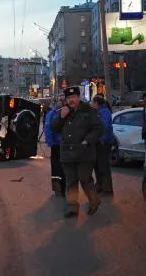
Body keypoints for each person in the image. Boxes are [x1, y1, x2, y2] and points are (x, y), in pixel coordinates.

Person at [51, 86, 104, 217]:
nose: (71, 100)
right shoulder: (63, 111)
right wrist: (60, 117)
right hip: (67, 153)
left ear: (79, 97)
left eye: (73, 97)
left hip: (84, 152)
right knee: (71, 181)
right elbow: (54, 127)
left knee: (84, 178)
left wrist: (87, 140)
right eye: (68, 98)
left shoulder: (89, 111)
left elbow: (98, 128)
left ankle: (94, 200)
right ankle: (72, 207)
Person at [91, 96, 114, 195]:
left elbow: (103, 127)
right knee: (97, 165)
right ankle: (99, 185)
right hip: (98, 142)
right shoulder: (98, 112)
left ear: (97, 103)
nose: (92, 105)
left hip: (103, 142)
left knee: (103, 166)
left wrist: (100, 138)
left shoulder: (104, 112)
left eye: (93, 103)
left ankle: (107, 189)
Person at [44, 95, 65, 197]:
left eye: (64, 100)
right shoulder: (52, 113)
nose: (63, 102)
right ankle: (58, 189)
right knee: (57, 168)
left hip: (64, 144)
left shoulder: (65, 111)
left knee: (64, 167)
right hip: (56, 144)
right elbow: (48, 129)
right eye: (61, 100)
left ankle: (64, 188)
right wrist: (51, 142)